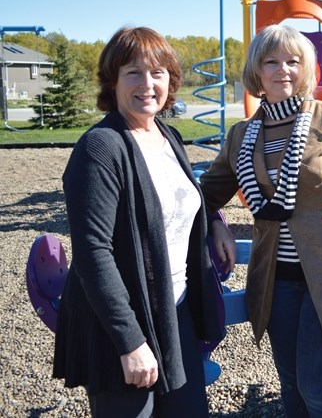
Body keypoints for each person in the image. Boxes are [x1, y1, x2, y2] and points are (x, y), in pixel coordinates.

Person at [199, 24, 322, 418]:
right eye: (271, 61)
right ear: (257, 71)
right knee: (291, 384)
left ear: (308, 69)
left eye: (293, 61)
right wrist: (214, 222)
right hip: (277, 281)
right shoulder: (241, 135)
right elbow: (202, 196)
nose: (283, 70)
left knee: (319, 387)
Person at [54, 26, 235, 417]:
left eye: (158, 72)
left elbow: (180, 199)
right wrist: (130, 342)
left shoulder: (167, 137)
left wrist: (214, 223)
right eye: (133, 72)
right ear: (113, 80)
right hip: (122, 324)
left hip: (174, 312)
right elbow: (92, 253)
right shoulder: (101, 148)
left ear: (171, 80)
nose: (147, 83)